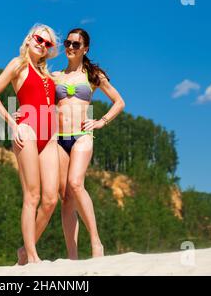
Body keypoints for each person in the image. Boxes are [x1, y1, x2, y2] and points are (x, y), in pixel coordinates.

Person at [0, 24, 60, 264]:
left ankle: (25, 250)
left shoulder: (48, 75)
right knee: (32, 196)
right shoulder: (18, 64)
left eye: (48, 44)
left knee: (50, 200)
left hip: (49, 137)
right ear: (29, 38)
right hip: (26, 132)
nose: (43, 45)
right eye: (40, 39)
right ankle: (32, 257)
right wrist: (12, 123)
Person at [55, 28, 125, 259]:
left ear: (85, 48)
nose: (70, 47)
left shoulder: (92, 75)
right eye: (68, 43)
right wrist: (21, 116)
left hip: (82, 136)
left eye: (76, 44)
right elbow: (34, 100)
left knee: (76, 183)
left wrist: (102, 121)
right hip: (59, 138)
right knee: (65, 197)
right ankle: (72, 256)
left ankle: (96, 242)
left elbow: (119, 102)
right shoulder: (55, 76)